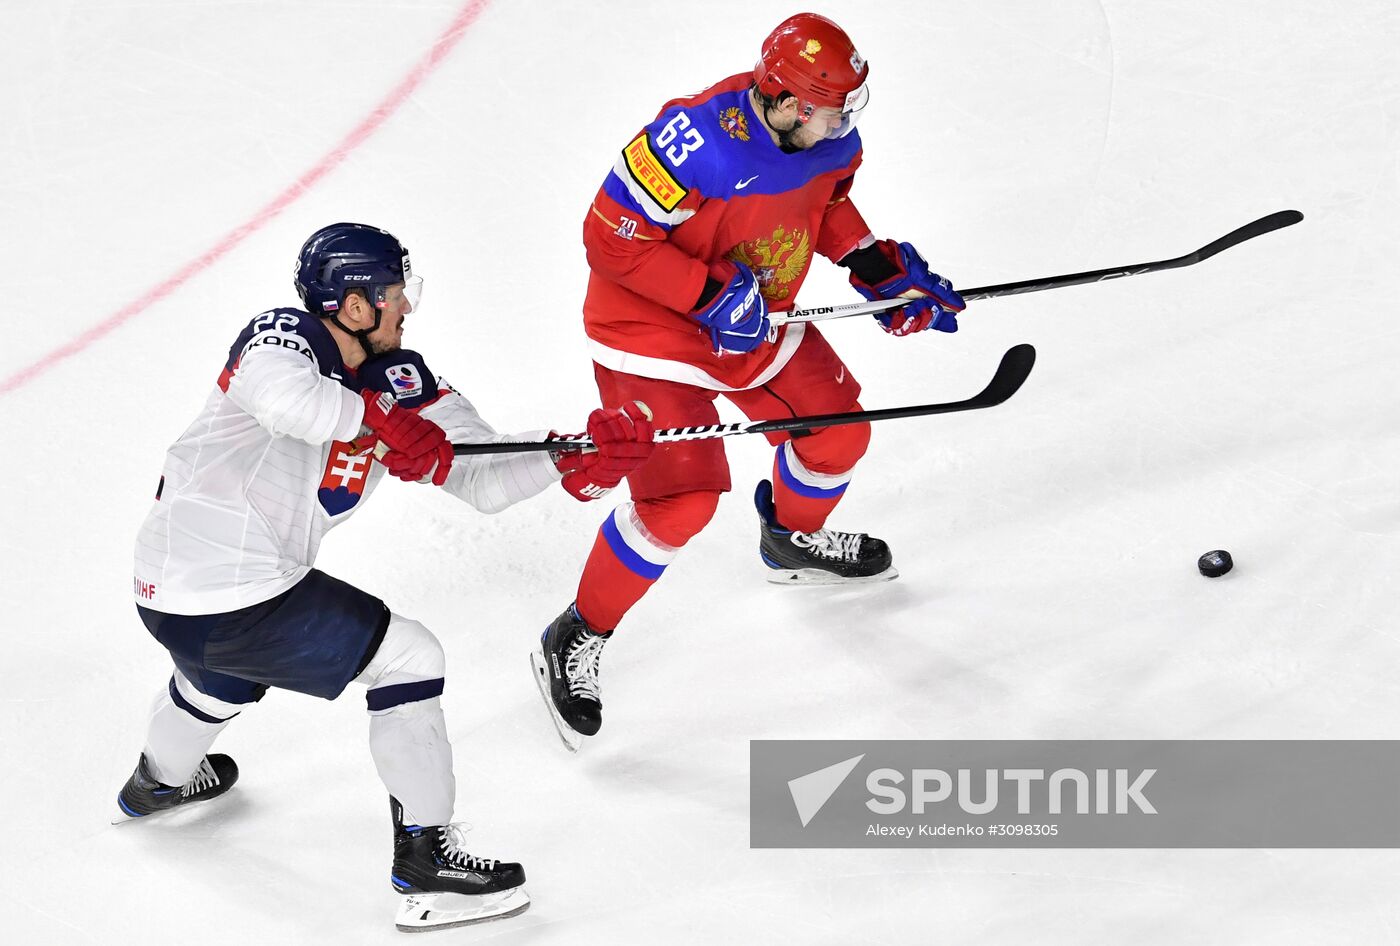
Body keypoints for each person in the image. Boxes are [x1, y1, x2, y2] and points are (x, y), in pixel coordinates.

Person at [118, 222, 654, 930]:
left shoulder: (401, 378)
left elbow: (477, 472)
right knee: (410, 657)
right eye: (395, 295)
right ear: (353, 303)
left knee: (214, 679)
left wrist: (570, 458)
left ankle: (159, 783)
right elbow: (286, 402)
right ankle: (427, 865)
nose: (407, 309)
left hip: (173, 597)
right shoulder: (284, 336)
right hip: (232, 587)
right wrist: (378, 424)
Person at [531, 13, 967, 750]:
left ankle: (792, 540)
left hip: (755, 313)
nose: (846, 121)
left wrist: (873, 265)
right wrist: (707, 296)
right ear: (793, 104)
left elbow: (821, 204)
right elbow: (609, 239)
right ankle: (576, 634)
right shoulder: (691, 142)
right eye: (834, 109)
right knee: (680, 502)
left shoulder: (827, 140)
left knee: (838, 433)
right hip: (653, 331)